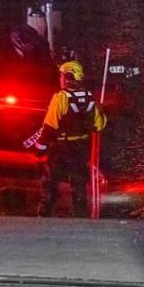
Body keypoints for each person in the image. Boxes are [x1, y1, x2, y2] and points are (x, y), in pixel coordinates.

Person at [32, 60, 107, 217]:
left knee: (51, 182)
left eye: (62, 75)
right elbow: (99, 126)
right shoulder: (90, 98)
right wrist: (99, 109)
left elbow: (50, 126)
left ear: (68, 76)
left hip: (61, 148)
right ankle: (80, 215)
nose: (60, 79)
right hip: (81, 148)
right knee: (79, 183)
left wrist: (39, 149)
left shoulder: (61, 98)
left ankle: (44, 214)